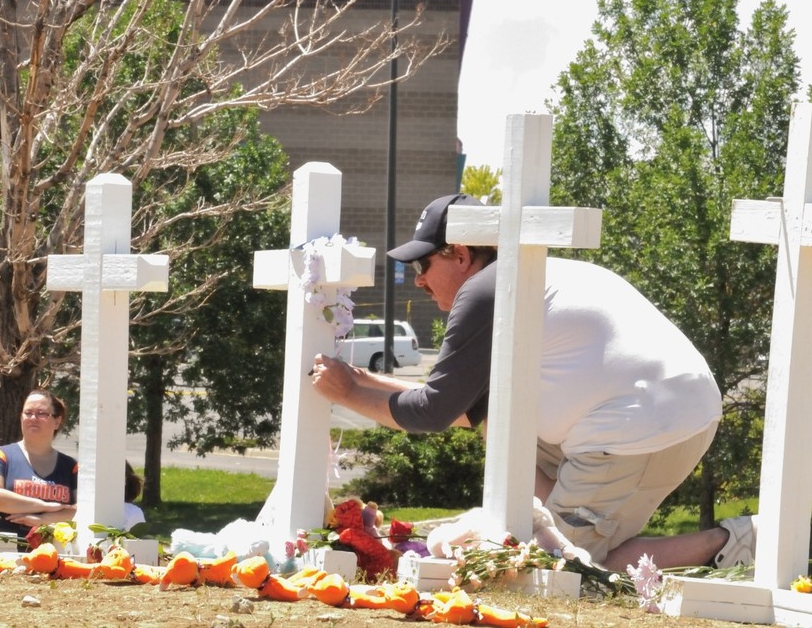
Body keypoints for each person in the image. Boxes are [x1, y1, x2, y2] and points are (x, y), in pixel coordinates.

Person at [310, 193, 757, 572]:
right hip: (661, 412)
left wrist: (349, 393)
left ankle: (730, 543)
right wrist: (367, 381)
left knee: (548, 561)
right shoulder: (525, 276)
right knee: (498, 430)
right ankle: (541, 520)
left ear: (461, 254)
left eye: (422, 264)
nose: (419, 280)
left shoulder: (485, 289)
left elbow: (433, 411)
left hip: (639, 428)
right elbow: (468, 410)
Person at [0, 389, 78, 536]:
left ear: (57, 421)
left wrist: (42, 519)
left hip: (54, 552)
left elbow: (83, 510)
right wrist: (45, 506)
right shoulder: (2, 455)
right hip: (4, 550)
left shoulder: (70, 466)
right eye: (28, 412)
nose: (33, 418)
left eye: (41, 413)